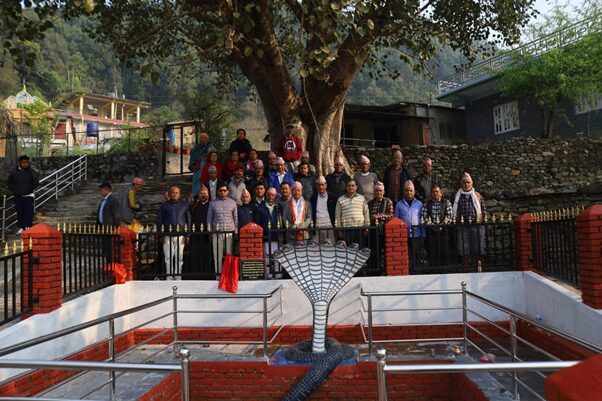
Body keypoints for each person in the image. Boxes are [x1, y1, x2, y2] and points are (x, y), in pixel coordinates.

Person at [452, 173, 487, 266]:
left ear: (472, 183)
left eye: (468, 182)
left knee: (478, 246)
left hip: (476, 224)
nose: (466, 184)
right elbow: (454, 210)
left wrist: (482, 219)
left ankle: (478, 266)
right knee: (463, 247)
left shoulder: (477, 195)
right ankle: (466, 267)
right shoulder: (456, 196)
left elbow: (483, 209)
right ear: (461, 184)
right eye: (464, 182)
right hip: (462, 225)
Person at [157, 186, 191, 279]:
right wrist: (160, 234)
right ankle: (169, 276)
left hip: (181, 235)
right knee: (168, 257)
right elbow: (160, 220)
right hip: (167, 235)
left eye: (177, 193)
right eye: (173, 193)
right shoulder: (164, 205)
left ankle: (178, 276)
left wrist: (188, 234)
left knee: (179, 256)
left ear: (179, 194)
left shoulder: (184, 205)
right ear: (169, 194)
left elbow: (188, 219)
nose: (175, 194)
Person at [207, 181, 238, 275]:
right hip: (217, 232)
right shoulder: (212, 203)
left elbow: (235, 218)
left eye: (224, 190)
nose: (223, 192)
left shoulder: (233, 203)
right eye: (221, 190)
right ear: (217, 192)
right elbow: (209, 218)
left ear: (228, 191)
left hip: (229, 232)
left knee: (229, 255)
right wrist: (209, 231)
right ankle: (218, 274)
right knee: (217, 255)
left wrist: (236, 231)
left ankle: (228, 274)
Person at [394, 181, 424, 271]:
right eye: (406, 190)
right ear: (403, 192)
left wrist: (423, 234)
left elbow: (422, 219)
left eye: (411, 190)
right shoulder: (399, 204)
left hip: (417, 234)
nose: (409, 192)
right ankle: (407, 272)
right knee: (406, 255)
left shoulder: (419, 204)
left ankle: (417, 271)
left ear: (414, 192)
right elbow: (396, 219)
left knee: (417, 255)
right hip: (404, 235)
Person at [422, 184, 453, 267]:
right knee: (432, 252)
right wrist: (433, 226)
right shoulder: (426, 204)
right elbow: (424, 217)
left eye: (437, 191)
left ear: (441, 193)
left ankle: (445, 269)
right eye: (433, 192)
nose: (435, 193)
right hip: (431, 232)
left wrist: (441, 226)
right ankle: (434, 270)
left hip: (444, 232)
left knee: (444, 252)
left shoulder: (446, 203)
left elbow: (449, 217)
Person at [7, 155, 39, 234]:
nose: (25, 164)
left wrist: (29, 189)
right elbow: (9, 183)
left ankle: (28, 227)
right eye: (23, 162)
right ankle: (21, 228)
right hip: (18, 196)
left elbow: (36, 182)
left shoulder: (32, 172)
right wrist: (15, 190)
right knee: (20, 213)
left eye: (27, 162)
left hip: (29, 196)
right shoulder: (14, 172)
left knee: (28, 213)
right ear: (19, 163)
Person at [255, 188, 284, 277]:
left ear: (275, 196)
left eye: (273, 195)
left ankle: (278, 274)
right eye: (269, 195)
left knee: (277, 256)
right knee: (267, 257)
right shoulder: (260, 208)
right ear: (266, 195)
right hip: (266, 236)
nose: (271, 197)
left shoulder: (279, 207)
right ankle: (269, 275)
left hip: (277, 236)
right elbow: (258, 223)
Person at [334, 179, 369, 246]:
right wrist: (339, 230)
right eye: (349, 185)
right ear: (346, 187)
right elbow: (337, 215)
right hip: (346, 229)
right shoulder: (340, 199)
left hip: (360, 228)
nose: (351, 187)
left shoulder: (362, 198)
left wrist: (367, 228)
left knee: (360, 249)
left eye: (353, 185)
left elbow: (366, 213)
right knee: (348, 250)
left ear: (356, 187)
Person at [188, 186, 213, 278]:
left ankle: (207, 275)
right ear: (198, 195)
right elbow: (189, 220)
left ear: (208, 194)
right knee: (195, 255)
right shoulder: (193, 206)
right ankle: (196, 275)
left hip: (207, 235)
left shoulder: (211, 206)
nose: (203, 195)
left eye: (205, 193)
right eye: (201, 193)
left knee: (207, 255)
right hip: (195, 235)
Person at [97, 182, 121, 263]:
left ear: (107, 190)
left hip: (110, 228)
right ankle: (108, 263)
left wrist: (115, 228)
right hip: (104, 228)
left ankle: (111, 264)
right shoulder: (104, 200)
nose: (100, 192)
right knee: (106, 248)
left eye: (101, 190)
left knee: (110, 248)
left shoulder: (113, 200)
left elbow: (116, 215)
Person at [309, 176, 336, 243]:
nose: (321, 187)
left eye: (322, 185)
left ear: (326, 185)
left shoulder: (332, 197)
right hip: (317, 227)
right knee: (316, 248)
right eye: (318, 185)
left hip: (329, 226)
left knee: (330, 247)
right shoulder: (313, 198)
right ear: (316, 186)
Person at [189, 132, 215, 197]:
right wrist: (194, 164)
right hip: (197, 166)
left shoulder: (210, 147)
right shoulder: (196, 147)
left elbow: (213, 156)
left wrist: (204, 159)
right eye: (202, 138)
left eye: (205, 138)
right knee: (196, 180)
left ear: (207, 139)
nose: (203, 139)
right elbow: (192, 157)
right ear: (200, 139)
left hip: (207, 166)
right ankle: (195, 195)